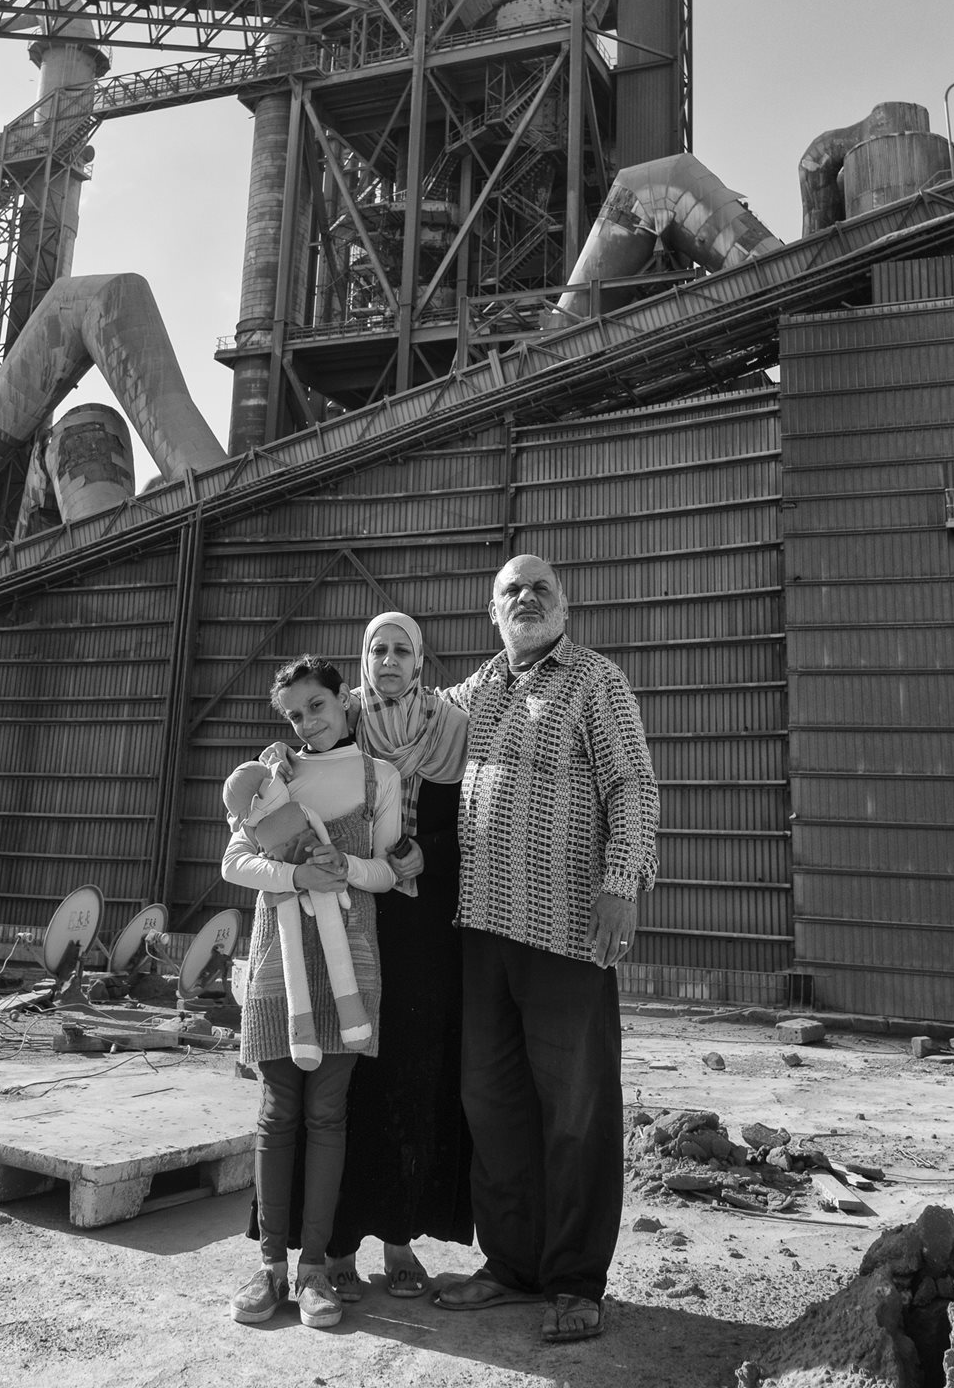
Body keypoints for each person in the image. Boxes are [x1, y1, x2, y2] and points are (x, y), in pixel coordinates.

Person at [431, 554, 659, 1345]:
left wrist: (622, 880)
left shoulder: (596, 680)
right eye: (510, 591)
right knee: (491, 1104)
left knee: (576, 1110)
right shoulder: (477, 689)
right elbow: (395, 716)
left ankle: (573, 1281)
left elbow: (631, 783)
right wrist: (298, 744)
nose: (525, 598)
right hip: (482, 929)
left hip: (566, 931)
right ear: (492, 610)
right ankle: (512, 1265)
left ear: (565, 603)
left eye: (540, 588)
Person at [221, 655, 401, 1331]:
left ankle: (316, 1268)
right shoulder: (272, 775)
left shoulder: (377, 775)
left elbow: (386, 871)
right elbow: (234, 862)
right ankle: (269, 1267)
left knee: (328, 1113)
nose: (306, 722)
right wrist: (298, 881)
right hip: (277, 966)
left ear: (344, 700)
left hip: (351, 966)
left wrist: (342, 868)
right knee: (276, 1114)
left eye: (316, 706)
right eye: (294, 714)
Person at [324, 611, 473, 1300]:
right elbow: (296, 782)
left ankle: (398, 1238)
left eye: (400, 650)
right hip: (350, 922)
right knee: (348, 1076)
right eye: (376, 648)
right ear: (364, 658)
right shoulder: (340, 724)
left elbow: (470, 828)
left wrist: (425, 853)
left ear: (420, 663)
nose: (387, 659)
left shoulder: (451, 733)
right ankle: (337, 1242)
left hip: (421, 931)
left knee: (411, 1077)